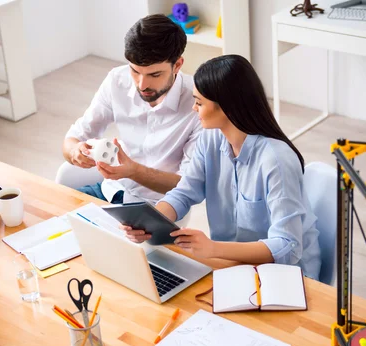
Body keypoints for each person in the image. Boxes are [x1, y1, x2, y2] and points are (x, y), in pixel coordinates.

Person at [123, 55, 321, 279]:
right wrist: (148, 221)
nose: (193, 108)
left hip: (287, 276)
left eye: (199, 102)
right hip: (233, 265)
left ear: (226, 107)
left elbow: (287, 247)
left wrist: (213, 249)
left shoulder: (276, 160)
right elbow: (184, 192)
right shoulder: (210, 139)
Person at [62, 14, 202, 204]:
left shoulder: (199, 103)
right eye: (135, 71)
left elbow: (188, 185)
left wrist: (134, 171)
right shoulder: (116, 80)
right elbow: (72, 139)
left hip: (158, 206)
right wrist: (75, 152)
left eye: (155, 74)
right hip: (111, 189)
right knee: (55, 213)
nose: (142, 84)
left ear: (177, 65)